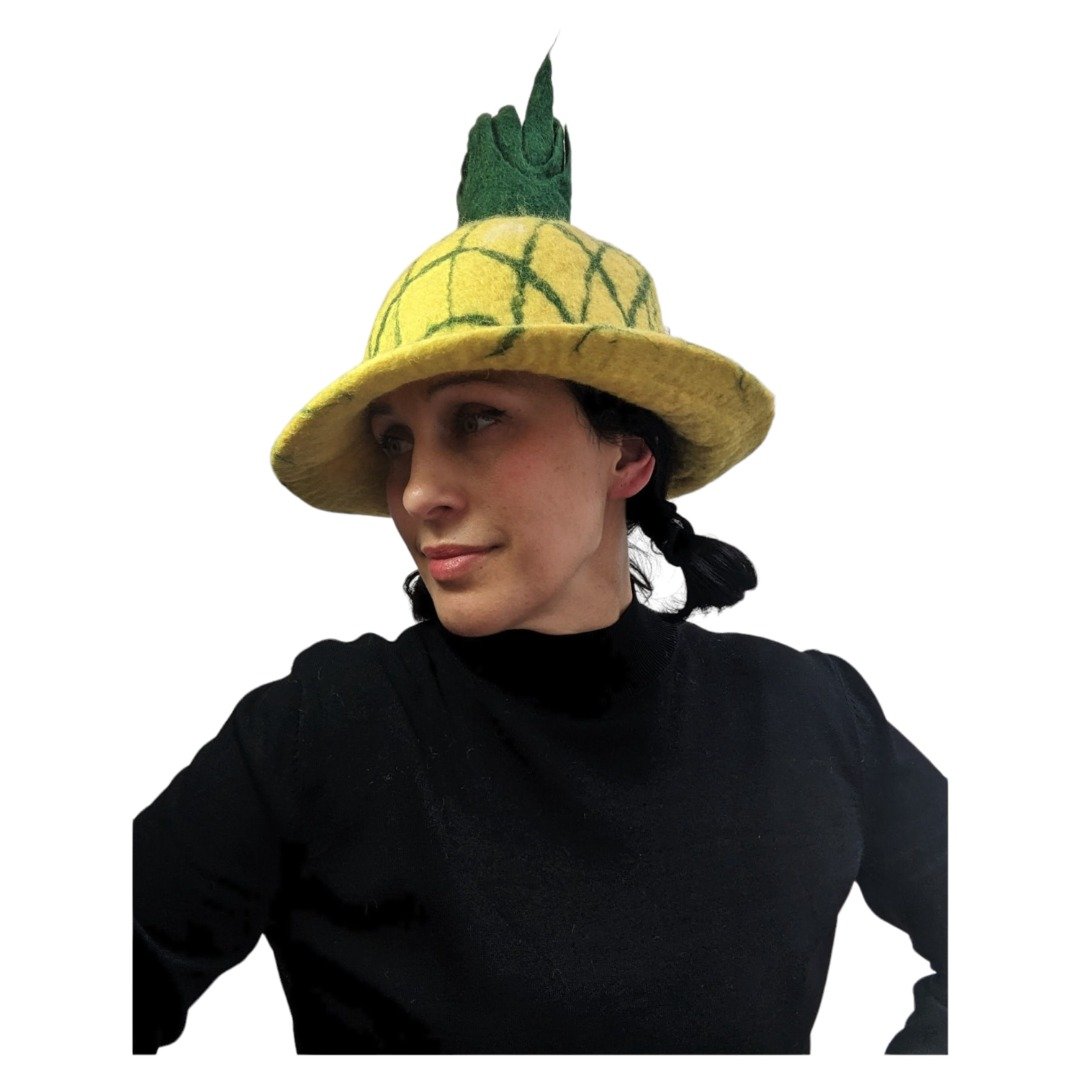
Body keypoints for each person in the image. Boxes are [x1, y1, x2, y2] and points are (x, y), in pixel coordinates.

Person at [133, 54, 947, 1054]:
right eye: (396, 440)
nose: (417, 491)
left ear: (627, 456)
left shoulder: (806, 719)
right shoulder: (318, 734)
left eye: (477, 419)